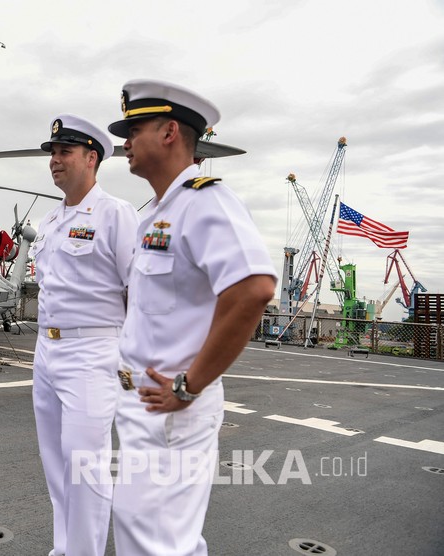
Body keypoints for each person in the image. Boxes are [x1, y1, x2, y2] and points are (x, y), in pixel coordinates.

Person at [107, 79, 278, 555]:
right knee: (155, 536)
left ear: (168, 132)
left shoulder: (206, 200)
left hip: (173, 409)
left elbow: (254, 289)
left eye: (133, 128)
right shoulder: (159, 213)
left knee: (156, 542)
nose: (125, 141)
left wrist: (190, 385)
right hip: (146, 405)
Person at [31, 114, 139, 556]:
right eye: (53, 153)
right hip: (46, 350)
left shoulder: (116, 214)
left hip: (93, 350)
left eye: (64, 152)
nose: (55, 160)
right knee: (56, 464)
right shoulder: (50, 221)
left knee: (85, 465)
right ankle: (66, 549)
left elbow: (139, 291)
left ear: (91, 157)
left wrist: (130, 359)